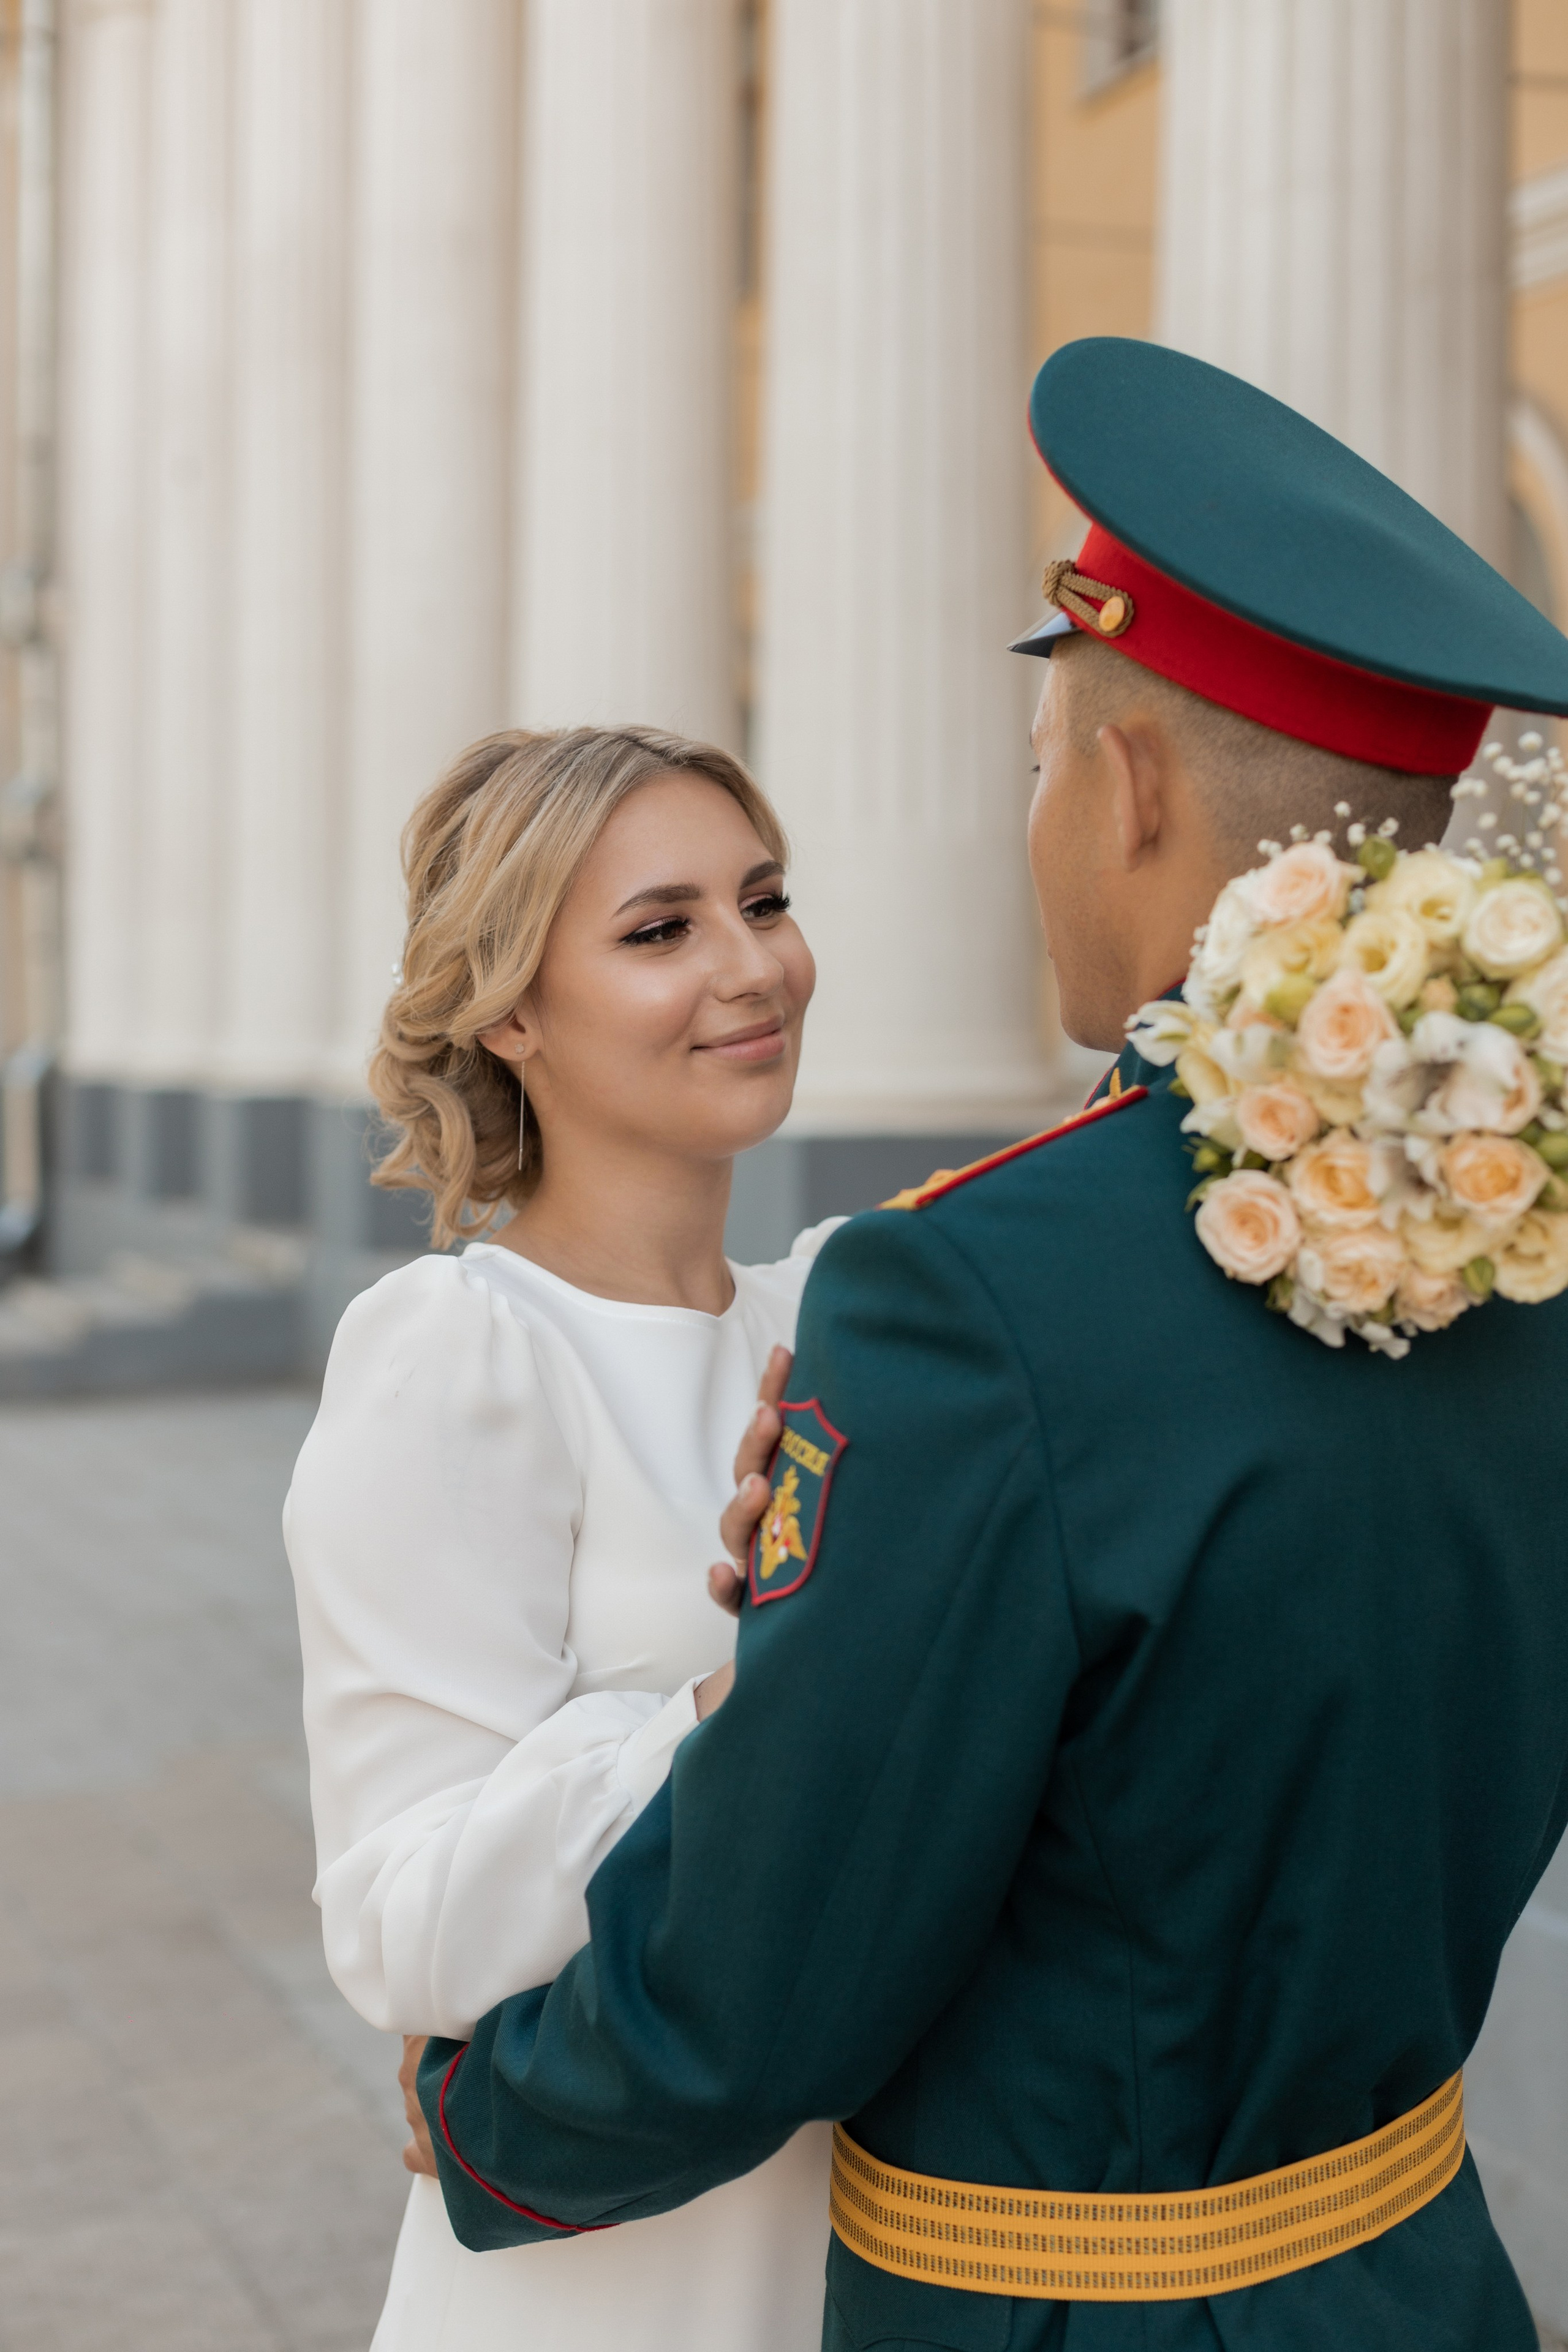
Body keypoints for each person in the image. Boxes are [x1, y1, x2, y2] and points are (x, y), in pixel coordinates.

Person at [411, 341, 1568, 2350]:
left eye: (1041, 764)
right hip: (1424, 2275)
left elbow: (782, 1949)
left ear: (1122, 788)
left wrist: (494, 2116)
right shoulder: (1522, 1223)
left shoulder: (970, 1293)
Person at [284, 725, 839, 2352]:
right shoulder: (460, 1352)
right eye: (661, 930)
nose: (753, 968)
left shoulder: (847, 1314)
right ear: (512, 1009)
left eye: (766, 899)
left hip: (875, 2216)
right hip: (617, 2259)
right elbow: (404, 1923)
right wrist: (752, 1709)